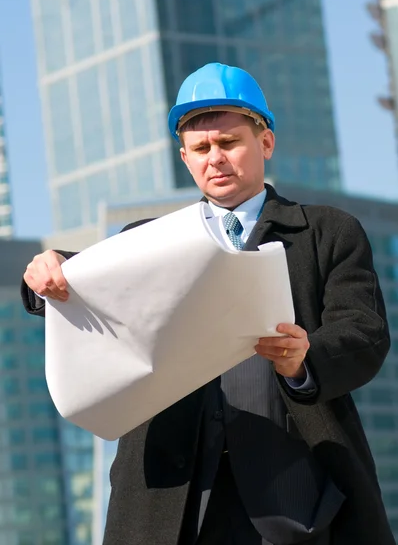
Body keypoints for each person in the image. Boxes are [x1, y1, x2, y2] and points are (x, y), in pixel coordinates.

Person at [22, 63, 394, 545]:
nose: (214, 158)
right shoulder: (146, 240)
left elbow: (364, 331)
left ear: (266, 143)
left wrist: (306, 359)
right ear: (185, 157)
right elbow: (88, 280)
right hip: (170, 497)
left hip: (298, 492)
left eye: (229, 143)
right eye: (201, 149)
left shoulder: (328, 232)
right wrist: (48, 272)